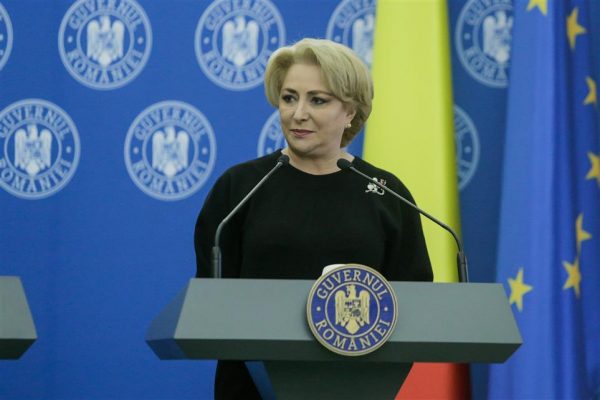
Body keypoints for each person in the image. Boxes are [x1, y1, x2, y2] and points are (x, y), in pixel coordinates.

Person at [194, 38, 433, 399]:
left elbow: (414, 305)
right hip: (249, 389)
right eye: (289, 98)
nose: (298, 113)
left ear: (350, 111)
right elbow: (212, 300)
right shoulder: (241, 187)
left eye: (317, 100)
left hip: (356, 386)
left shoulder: (386, 193)